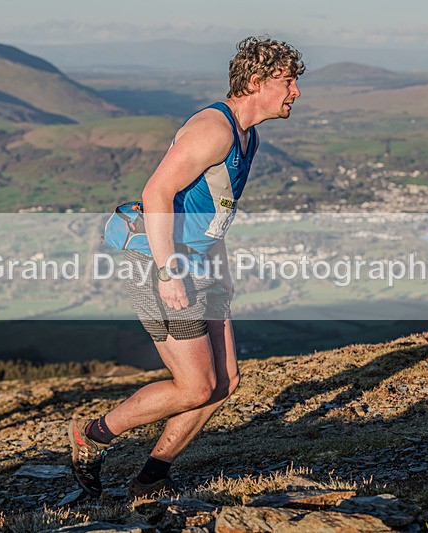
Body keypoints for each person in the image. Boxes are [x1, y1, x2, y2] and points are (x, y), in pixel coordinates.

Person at [67, 36, 304, 500]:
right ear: (257, 81)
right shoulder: (214, 129)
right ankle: (91, 435)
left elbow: (210, 213)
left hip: (199, 261)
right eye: (288, 81)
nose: (296, 91)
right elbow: (156, 192)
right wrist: (168, 272)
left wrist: (221, 269)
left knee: (225, 383)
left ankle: (151, 478)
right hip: (160, 260)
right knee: (196, 387)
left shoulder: (247, 134)